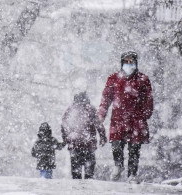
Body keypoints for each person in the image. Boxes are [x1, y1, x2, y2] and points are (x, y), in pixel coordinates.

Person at [98, 51, 153, 183]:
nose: (129, 64)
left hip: (136, 119)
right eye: (126, 62)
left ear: (136, 63)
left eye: (131, 62)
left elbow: (148, 99)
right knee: (116, 145)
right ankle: (118, 165)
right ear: (122, 63)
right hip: (118, 118)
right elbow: (106, 98)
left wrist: (146, 113)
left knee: (134, 149)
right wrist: (101, 113)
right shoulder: (113, 79)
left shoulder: (143, 80)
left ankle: (132, 174)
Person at [61, 92, 107, 179]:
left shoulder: (70, 110)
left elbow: (64, 125)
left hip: (74, 144)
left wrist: (65, 139)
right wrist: (103, 137)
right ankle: (88, 188)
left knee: (76, 172)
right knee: (89, 172)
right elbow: (99, 125)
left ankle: (77, 189)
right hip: (88, 144)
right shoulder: (91, 109)